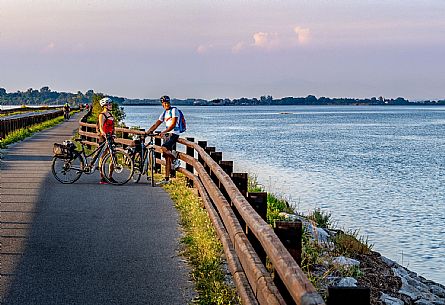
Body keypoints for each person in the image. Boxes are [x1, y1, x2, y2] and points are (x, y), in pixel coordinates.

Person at [147, 95, 182, 185]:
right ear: (162, 104)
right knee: (166, 157)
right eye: (164, 103)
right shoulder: (164, 113)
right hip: (167, 135)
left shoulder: (174, 110)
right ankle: (166, 179)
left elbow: (173, 124)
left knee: (164, 148)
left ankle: (175, 160)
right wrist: (148, 132)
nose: (166, 104)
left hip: (174, 134)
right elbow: (156, 124)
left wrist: (164, 131)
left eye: (167, 103)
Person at [98, 97, 117, 184]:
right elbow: (101, 127)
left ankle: (110, 176)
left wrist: (114, 133)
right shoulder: (102, 115)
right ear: (105, 105)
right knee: (103, 156)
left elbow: (113, 126)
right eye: (109, 104)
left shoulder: (110, 115)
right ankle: (102, 176)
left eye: (110, 104)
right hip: (104, 138)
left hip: (110, 138)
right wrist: (104, 134)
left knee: (113, 156)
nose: (111, 105)